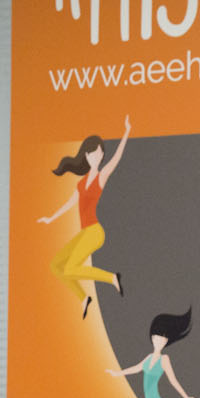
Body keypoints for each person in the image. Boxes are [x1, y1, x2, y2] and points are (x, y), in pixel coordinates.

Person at [38, 118, 131, 317]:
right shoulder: (81, 183)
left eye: (99, 153)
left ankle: (112, 277)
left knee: (70, 268)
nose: (95, 156)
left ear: (102, 156)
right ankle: (83, 298)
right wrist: (50, 218)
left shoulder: (101, 176)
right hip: (84, 233)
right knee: (56, 266)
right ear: (86, 156)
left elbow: (116, 159)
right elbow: (70, 203)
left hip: (95, 232)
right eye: (92, 153)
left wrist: (126, 132)